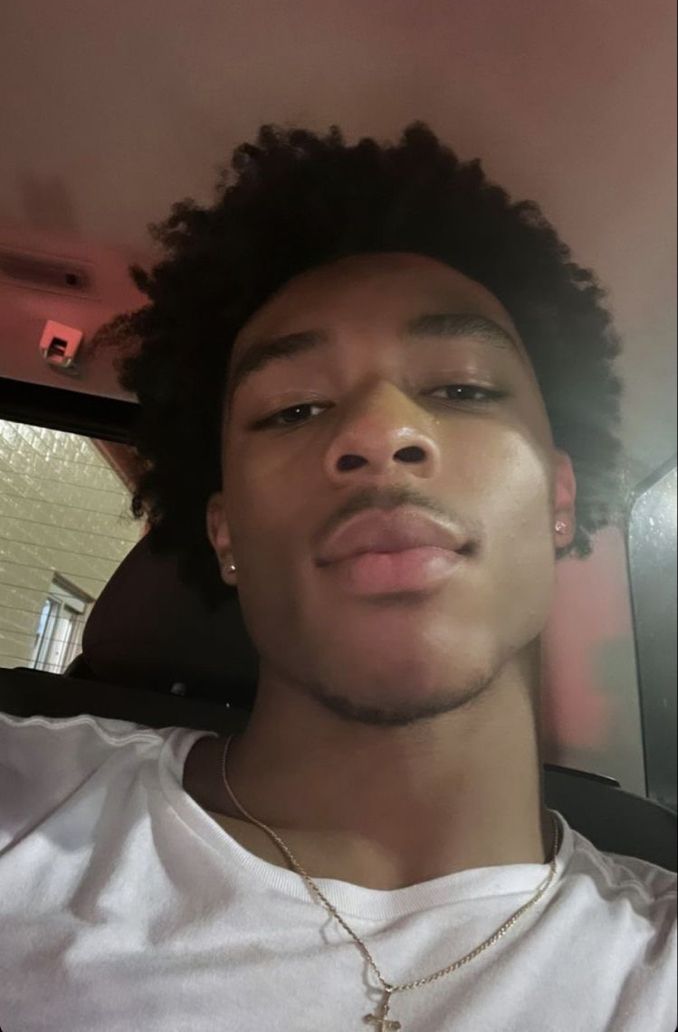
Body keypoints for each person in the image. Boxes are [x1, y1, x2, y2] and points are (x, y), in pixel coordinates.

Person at [0, 123, 675, 1032]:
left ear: (560, 496)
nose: (379, 430)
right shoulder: (28, 809)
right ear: (224, 530)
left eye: (465, 389)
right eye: (296, 408)